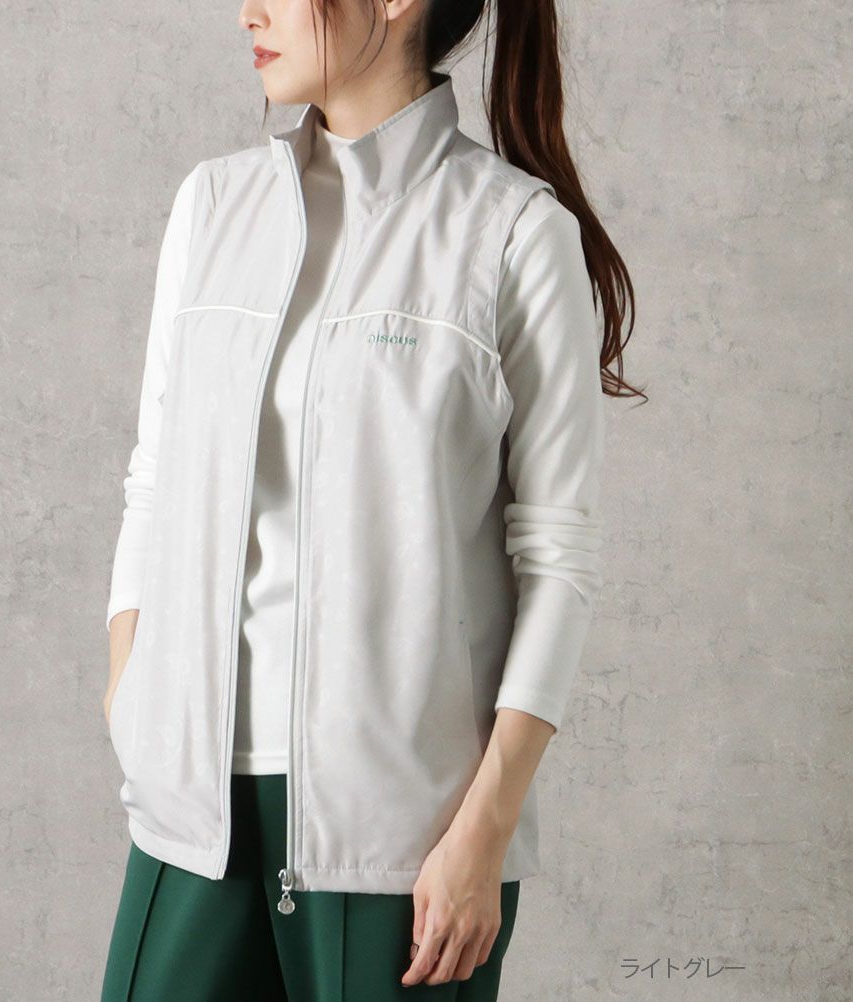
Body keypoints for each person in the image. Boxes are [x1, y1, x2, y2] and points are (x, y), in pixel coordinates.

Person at [100, 0, 641, 999]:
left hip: (406, 843)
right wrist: (131, 695)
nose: (248, 11)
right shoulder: (212, 207)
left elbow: (559, 560)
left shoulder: (513, 233)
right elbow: (155, 475)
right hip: (191, 808)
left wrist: (483, 832)